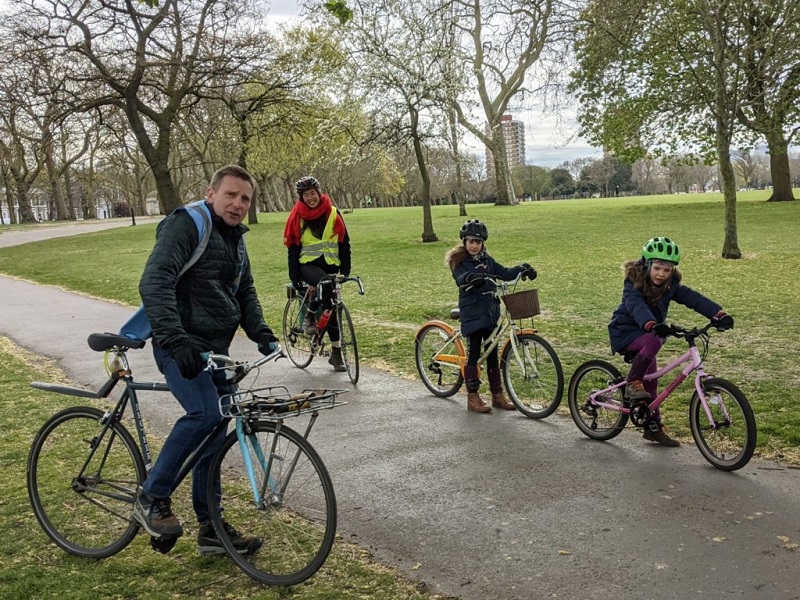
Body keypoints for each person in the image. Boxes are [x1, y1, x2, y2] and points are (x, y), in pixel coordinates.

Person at [133, 165, 279, 555]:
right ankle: (151, 495)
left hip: (214, 350)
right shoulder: (188, 224)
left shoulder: (234, 237)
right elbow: (155, 280)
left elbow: (243, 290)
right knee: (205, 414)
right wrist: (174, 339)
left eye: (245, 198)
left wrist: (260, 331)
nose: (238, 204)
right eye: (230, 194)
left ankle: (210, 527)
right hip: (178, 344)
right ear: (210, 193)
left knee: (217, 429)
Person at [608, 236, 734, 446]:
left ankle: (653, 427)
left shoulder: (670, 285)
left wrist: (718, 314)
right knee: (654, 342)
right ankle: (632, 382)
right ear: (647, 264)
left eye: (667, 270)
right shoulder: (634, 281)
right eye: (657, 268)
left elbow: (693, 298)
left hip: (650, 333)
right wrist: (650, 323)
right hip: (626, 331)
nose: (661, 274)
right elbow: (635, 303)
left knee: (652, 384)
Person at [446, 219, 536, 413]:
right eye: (470, 241)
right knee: (475, 353)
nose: (474, 245)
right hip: (472, 313)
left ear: (483, 244)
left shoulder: (488, 261)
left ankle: (497, 395)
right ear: (464, 242)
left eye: (477, 242)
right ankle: (472, 396)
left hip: (489, 313)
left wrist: (521, 269)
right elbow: (460, 277)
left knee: (493, 355)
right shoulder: (459, 261)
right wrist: (471, 278)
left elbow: (503, 272)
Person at [283, 175, 352, 372]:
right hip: (308, 265)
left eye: (313, 193)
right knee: (325, 285)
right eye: (306, 195)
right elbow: (293, 246)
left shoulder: (332, 212)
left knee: (332, 308)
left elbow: (343, 243)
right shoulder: (297, 215)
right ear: (301, 197)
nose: (311, 198)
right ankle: (310, 315)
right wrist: (294, 276)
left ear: (319, 192)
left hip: (331, 264)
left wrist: (346, 270)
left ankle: (336, 354)